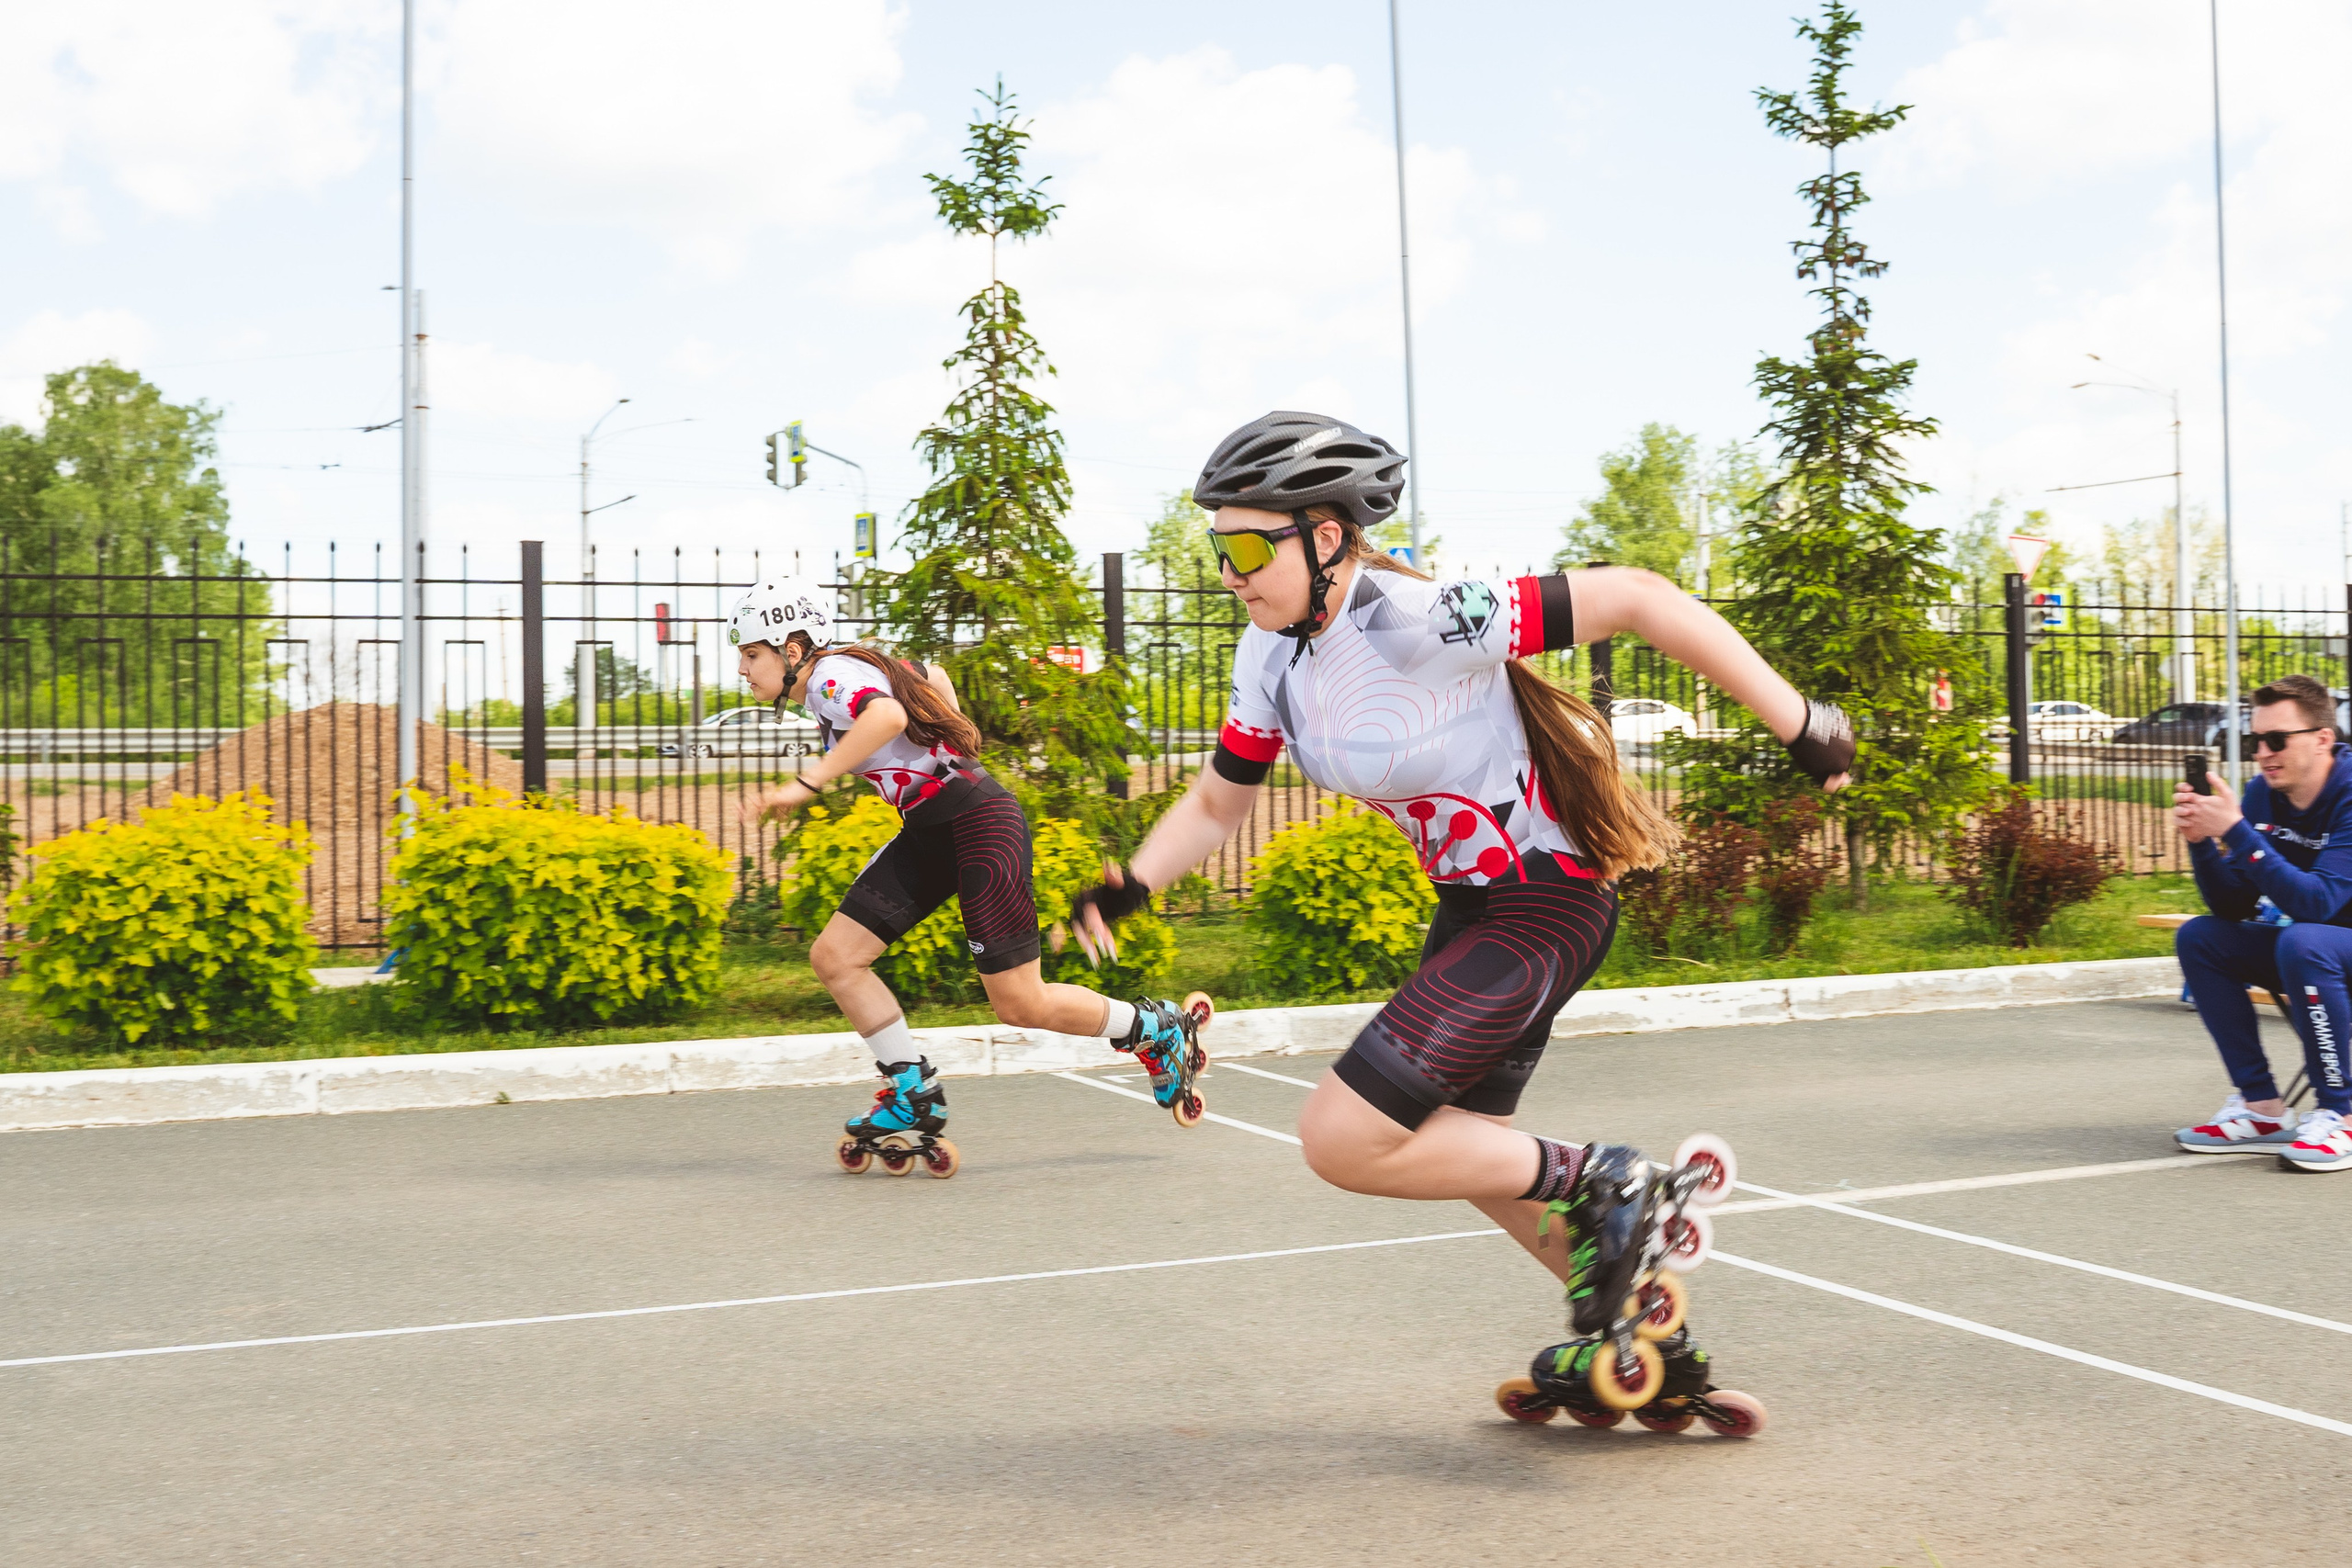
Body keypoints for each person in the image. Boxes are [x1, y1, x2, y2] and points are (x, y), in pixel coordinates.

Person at [1067, 411, 1853, 1413]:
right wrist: (1134, 881)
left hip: (1547, 909)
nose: (1231, 572)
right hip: (1475, 913)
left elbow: (1641, 598)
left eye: (1251, 545)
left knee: (1342, 1138)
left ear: (1327, 537)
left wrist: (1800, 721)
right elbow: (1221, 800)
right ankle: (1650, 1344)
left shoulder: (1421, 619)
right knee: (1464, 1150)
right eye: (1217, 548)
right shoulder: (1268, 660)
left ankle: (1610, 1180)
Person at [730, 577, 1208, 1177]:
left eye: (753, 654)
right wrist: (948, 730)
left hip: (979, 823)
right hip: (930, 832)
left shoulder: (830, 679)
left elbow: (887, 713)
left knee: (1019, 1002)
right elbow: (929, 675)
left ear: (793, 647)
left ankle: (1156, 1028)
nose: (745, 669)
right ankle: (912, 1089)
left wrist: (806, 784)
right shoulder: (847, 668)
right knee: (836, 957)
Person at [2171, 673, 2352, 1172]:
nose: (2264, 753)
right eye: (2256, 741)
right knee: (2200, 938)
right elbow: (2231, 907)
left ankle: (2342, 1111)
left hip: (2320, 948)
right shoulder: (2261, 795)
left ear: (2322, 739)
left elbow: (2319, 903)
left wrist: (2237, 832)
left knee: (2304, 941)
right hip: (2318, 955)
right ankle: (2262, 1109)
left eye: (2277, 739)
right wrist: (2202, 843)